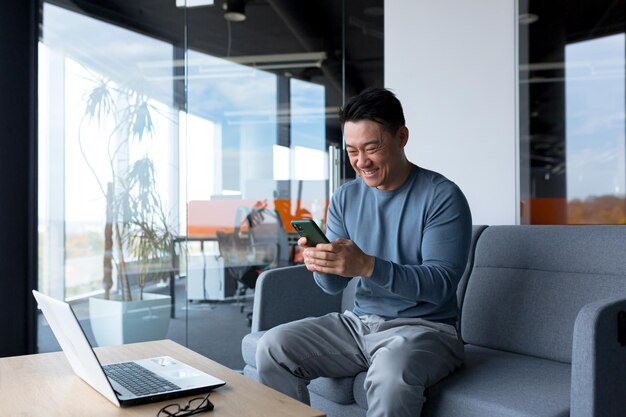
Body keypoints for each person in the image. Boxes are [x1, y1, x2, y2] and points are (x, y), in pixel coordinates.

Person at [255, 87, 472, 417]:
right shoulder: (346, 197)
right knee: (273, 347)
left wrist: (368, 265)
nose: (361, 162)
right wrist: (323, 265)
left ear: (401, 137)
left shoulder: (441, 196)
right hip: (359, 325)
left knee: (391, 378)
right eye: (352, 151)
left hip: (426, 330)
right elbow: (333, 287)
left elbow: (440, 283)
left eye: (372, 148)